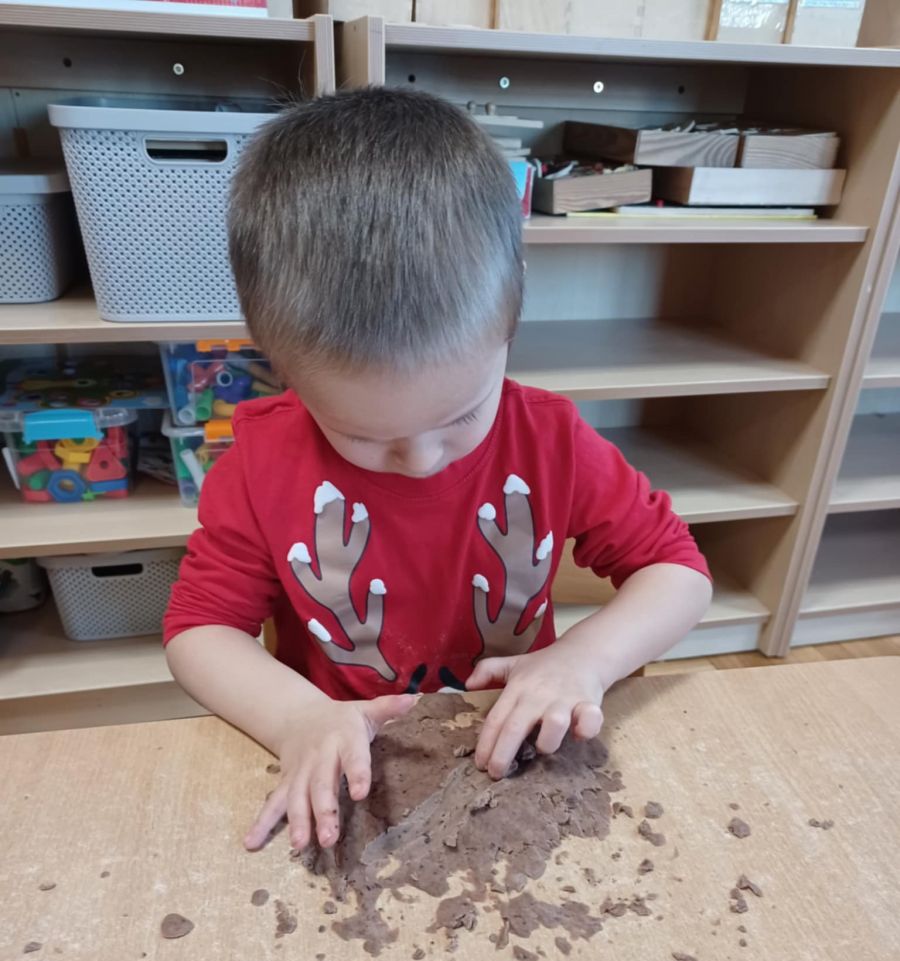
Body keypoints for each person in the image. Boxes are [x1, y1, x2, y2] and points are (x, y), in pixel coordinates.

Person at [164, 87, 712, 856]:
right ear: (277, 361)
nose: (420, 458)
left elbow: (678, 573)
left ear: (510, 318)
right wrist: (295, 718)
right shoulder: (260, 464)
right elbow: (200, 630)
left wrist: (583, 660)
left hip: (513, 756)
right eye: (360, 434)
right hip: (350, 762)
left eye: (460, 416)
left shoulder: (551, 440)